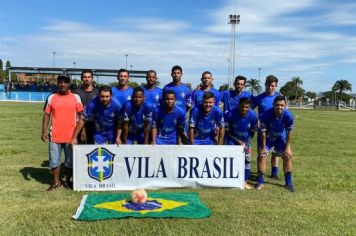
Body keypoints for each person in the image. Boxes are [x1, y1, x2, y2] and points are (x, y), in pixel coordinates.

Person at [42, 75, 83, 191]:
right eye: (60, 82)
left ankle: (67, 181)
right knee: (54, 160)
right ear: (57, 83)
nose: (63, 84)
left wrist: (82, 131)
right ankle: (56, 182)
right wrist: (44, 131)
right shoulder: (51, 98)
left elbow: (81, 115)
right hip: (54, 135)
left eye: (65, 82)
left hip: (71, 136)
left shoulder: (76, 97)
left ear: (69, 84)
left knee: (70, 160)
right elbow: (46, 115)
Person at [256, 95, 294, 192]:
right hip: (267, 139)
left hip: (280, 138)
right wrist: (263, 147)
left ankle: (288, 183)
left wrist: (288, 147)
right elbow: (263, 133)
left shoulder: (288, 116)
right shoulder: (265, 115)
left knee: (287, 156)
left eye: (282, 105)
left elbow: (289, 132)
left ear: (285, 106)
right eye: (277, 105)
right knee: (262, 156)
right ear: (273, 105)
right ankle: (260, 182)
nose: (279, 107)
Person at [224, 97, 258, 189]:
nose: (244, 109)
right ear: (238, 105)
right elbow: (226, 131)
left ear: (250, 107)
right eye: (242, 106)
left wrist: (247, 143)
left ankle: (244, 181)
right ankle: (230, 180)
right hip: (232, 140)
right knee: (230, 160)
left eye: (246, 107)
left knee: (247, 160)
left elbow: (252, 131)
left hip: (246, 141)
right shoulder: (230, 114)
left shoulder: (253, 115)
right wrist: (237, 141)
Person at [253, 75, 281, 179]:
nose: (270, 88)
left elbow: (284, 110)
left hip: (276, 128)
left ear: (276, 86)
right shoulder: (259, 97)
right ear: (265, 85)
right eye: (268, 85)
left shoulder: (279, 97)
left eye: (273, 86)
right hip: (263, 130)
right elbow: (250, 110)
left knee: (276, 152)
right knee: (262, 152)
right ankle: (260, 174)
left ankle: (274, 173)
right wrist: (256, 121)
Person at [74, 69, 99, 144]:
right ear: (81, 78)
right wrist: (82, 129)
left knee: (92, 149)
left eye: (89, 77)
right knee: (80, 149)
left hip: (94, 124)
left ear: (92, 78)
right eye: (85, 77)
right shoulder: (76, 92)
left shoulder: (97, 92)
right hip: (79, 124)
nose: (87, 79)